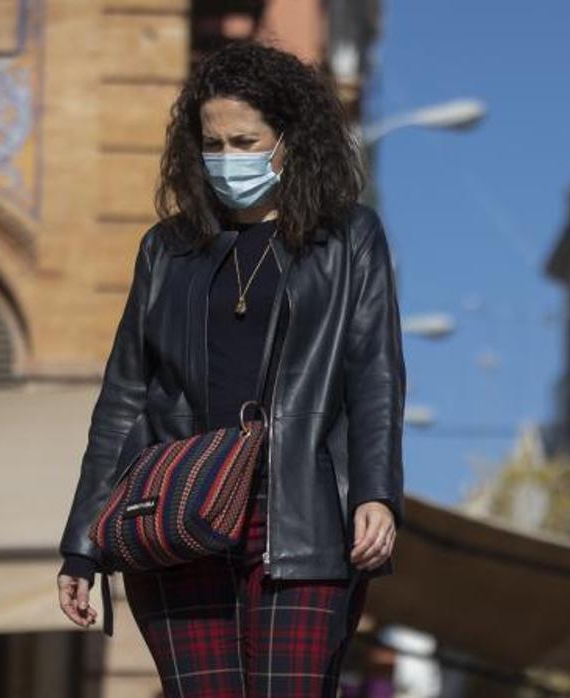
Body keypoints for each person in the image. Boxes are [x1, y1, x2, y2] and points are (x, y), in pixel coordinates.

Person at [54, 39, 405, 697]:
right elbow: (124, 397)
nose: (227, 160)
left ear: (289, 142)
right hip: (176, 512)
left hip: (301, 517)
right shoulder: (166, 249)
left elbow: (373, 375)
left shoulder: (350, 237)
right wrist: (83, 543)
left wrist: (375, 494)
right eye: (212, 144)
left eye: (245, 143)